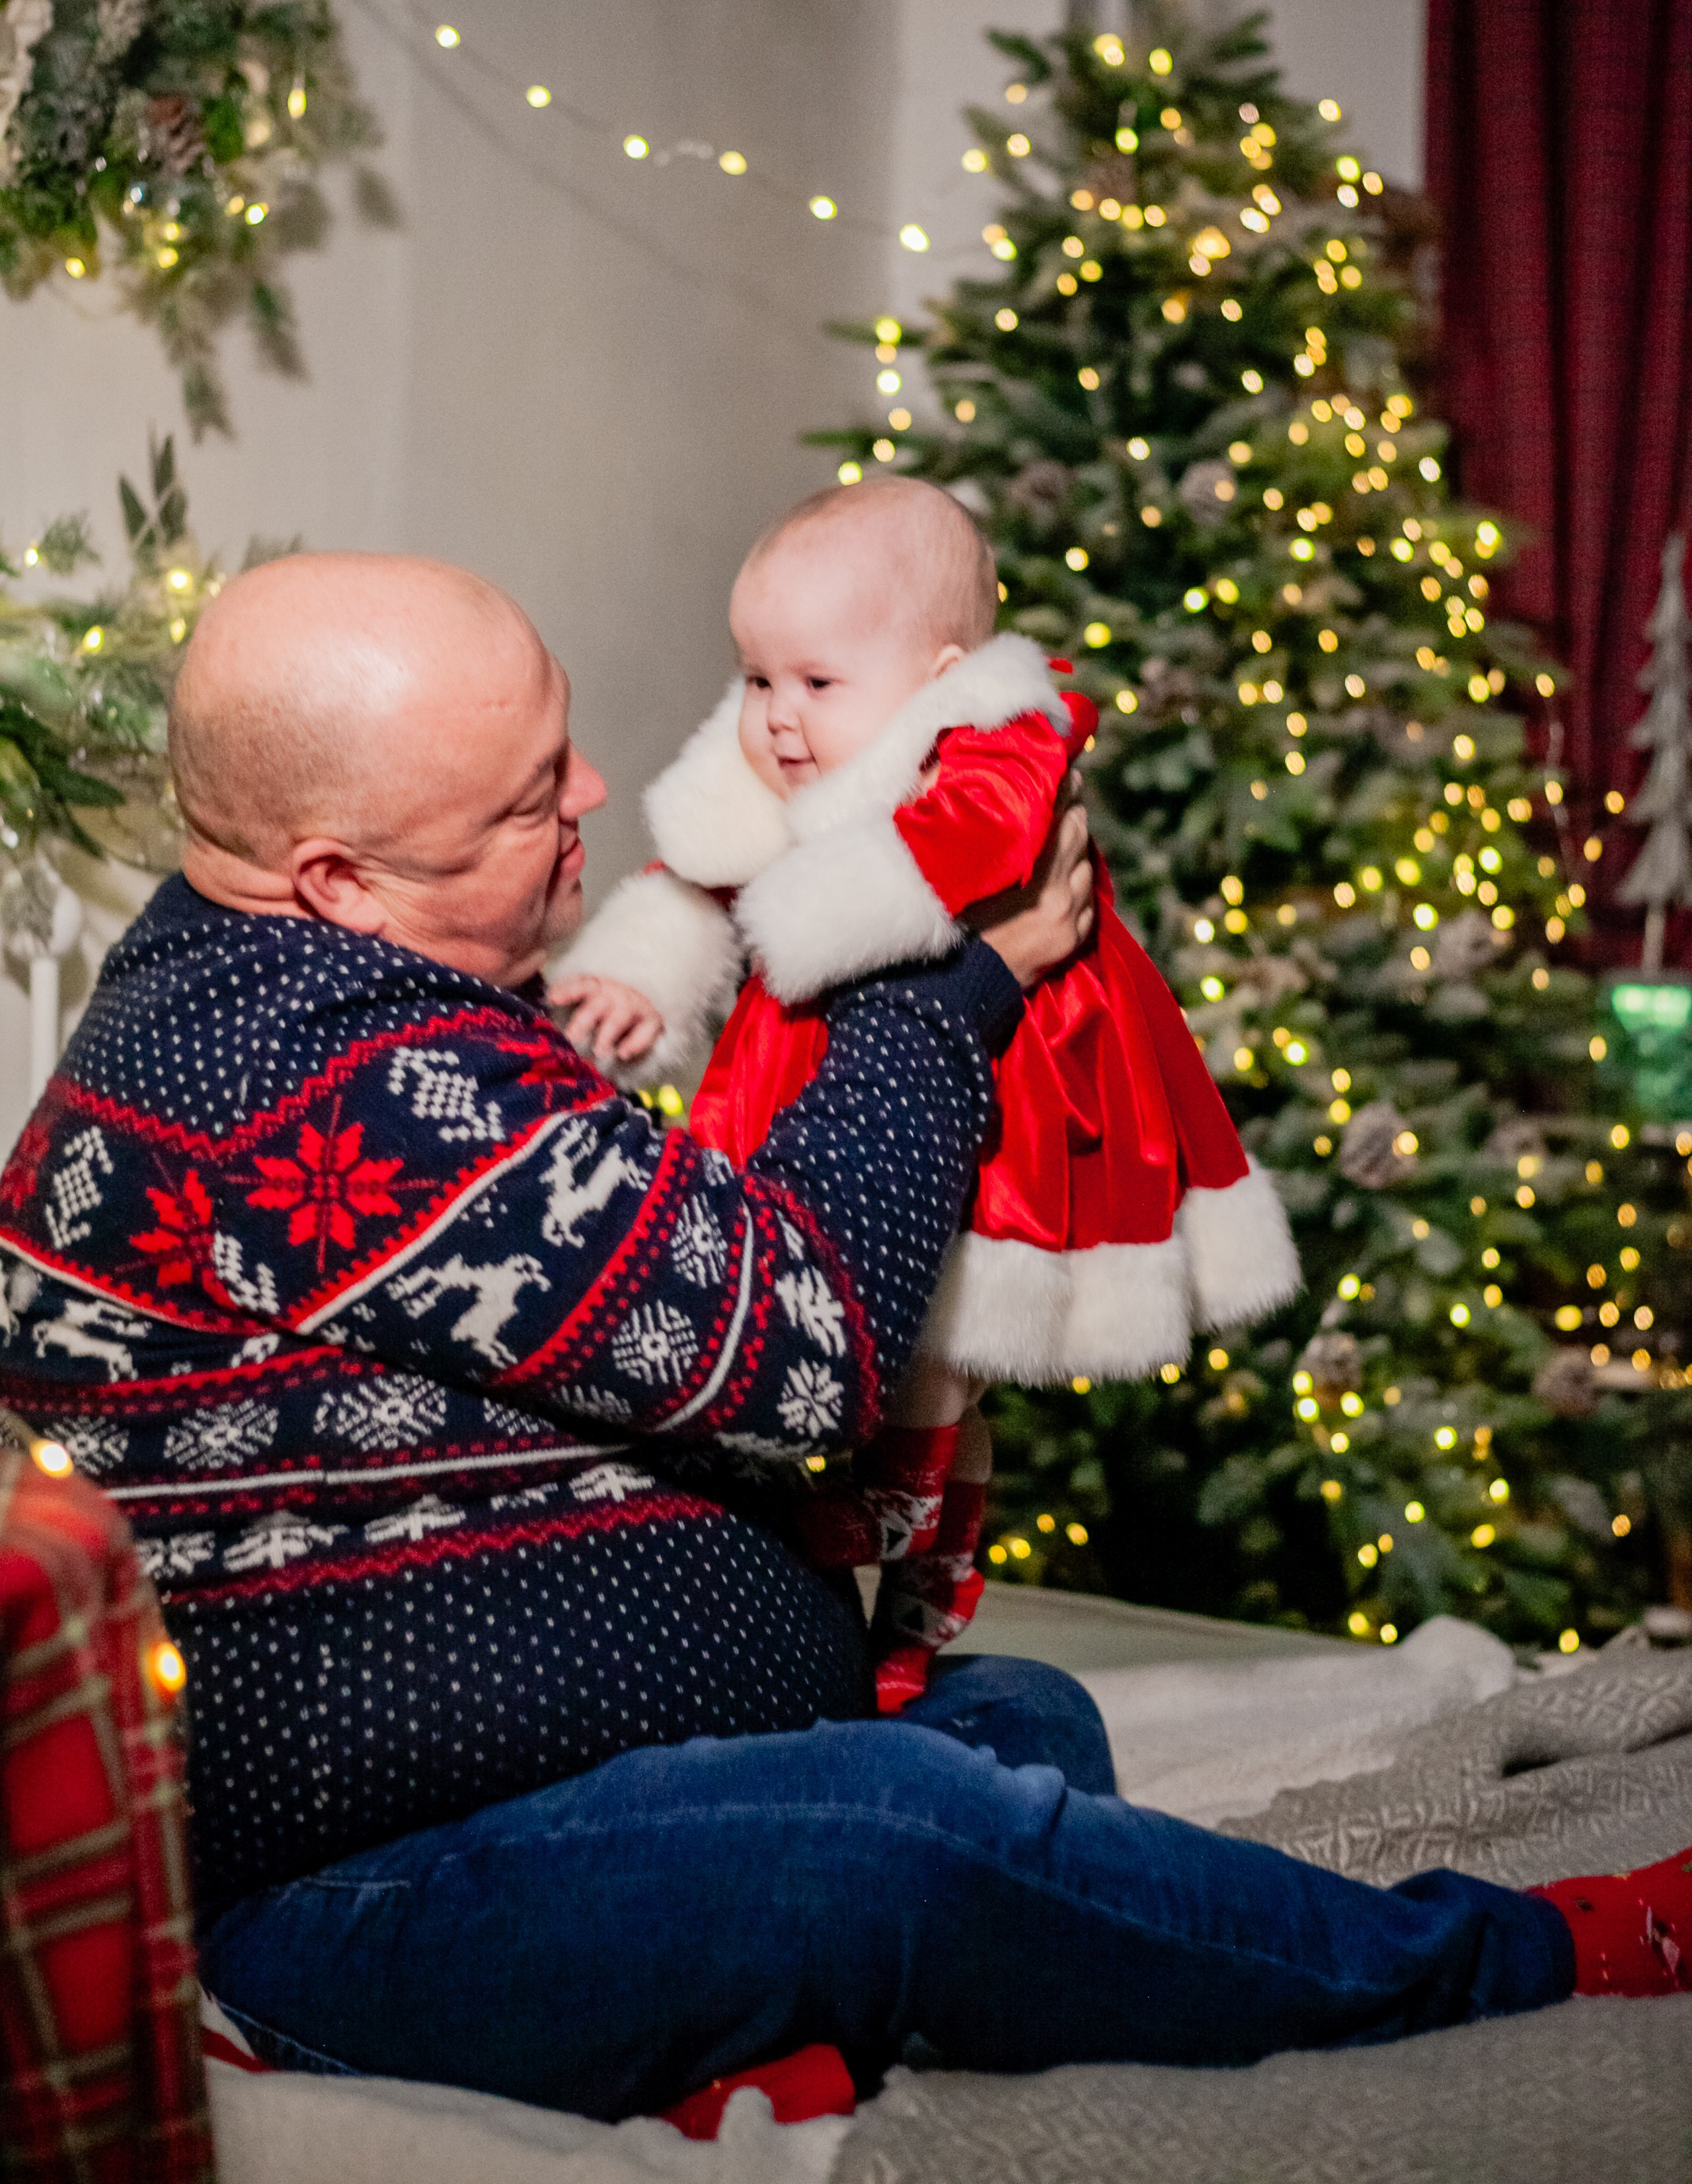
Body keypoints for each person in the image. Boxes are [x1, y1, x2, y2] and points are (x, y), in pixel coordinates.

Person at [0, 553, 1680, 2127]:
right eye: (529, 798)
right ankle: (1522, 1956)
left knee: (1018, 1712)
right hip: (359, 1899)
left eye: (563, 747)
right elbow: (797, 1343)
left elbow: (604, 1266)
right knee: (903, 1842)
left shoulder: (268, 977)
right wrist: (940, 994)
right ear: (337, 877)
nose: (591, 798)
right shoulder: (333, 1079)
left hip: (504, 1790)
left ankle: (763, 2019)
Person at [552, 479, 1299, 1706]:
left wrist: (791, 907)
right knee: (891, 1317)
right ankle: (928, 1568)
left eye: (818, 684)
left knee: (943, 1322)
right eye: (756, 680)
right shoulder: (792, 765)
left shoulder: (999, 735)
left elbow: (978, 848)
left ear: (942, 672)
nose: (778, 720)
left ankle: (902, 1505)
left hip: (1006, 1088)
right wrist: (645, 974)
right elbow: (699, 873)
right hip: (849, 1065)